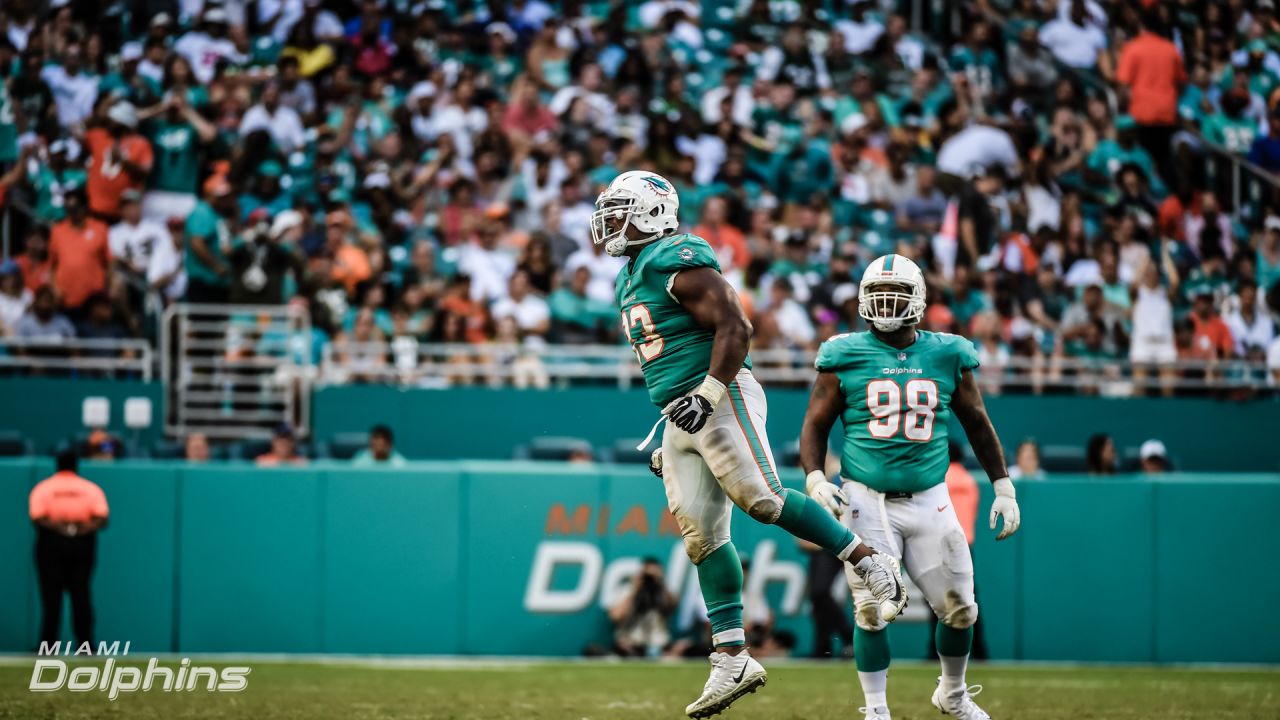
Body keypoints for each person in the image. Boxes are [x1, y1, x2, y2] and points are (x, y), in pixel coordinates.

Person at [598, 170, 904, 718]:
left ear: (650, 211)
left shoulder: (676, 256)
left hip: (717, 394)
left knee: (761, 496)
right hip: (680, 413)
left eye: (620, 207)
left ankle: (866, 559)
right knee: (701, 535)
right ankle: (733, 655)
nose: (610, 219)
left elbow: (736, 326)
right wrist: (676, 430)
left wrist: (712, 391)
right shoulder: (632, 274)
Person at [799, 253, 1022, 720]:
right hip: (864, 498)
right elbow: (815, 425)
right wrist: (816, 476)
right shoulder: (843, 353)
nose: (884, 303)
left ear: (918, 299)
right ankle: (877, 709)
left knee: (961, 609)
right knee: (871, 609)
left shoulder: (947, 352)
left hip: (930, 498)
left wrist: (1003, 485)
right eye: (877, 294)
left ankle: (953, 693)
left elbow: (977, 423)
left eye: (895, 293)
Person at [29, 451, 109, 649]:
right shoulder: (89, 488)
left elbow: (37, 517)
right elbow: (102, 517)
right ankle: (86, 645)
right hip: (81, 543)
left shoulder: (44, 488)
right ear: (76, 466)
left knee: (52, 598)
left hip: (52, 543)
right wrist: (77, 529)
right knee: (80, 595)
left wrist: (63, 529)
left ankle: (48, 647)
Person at [608, 556, 678, 657]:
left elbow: (672, 606)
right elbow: (615, 616)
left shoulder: (663, 592)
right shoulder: (628, 590)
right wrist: (635, 589)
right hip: (631, 644)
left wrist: (661, 583)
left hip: (659, 645)